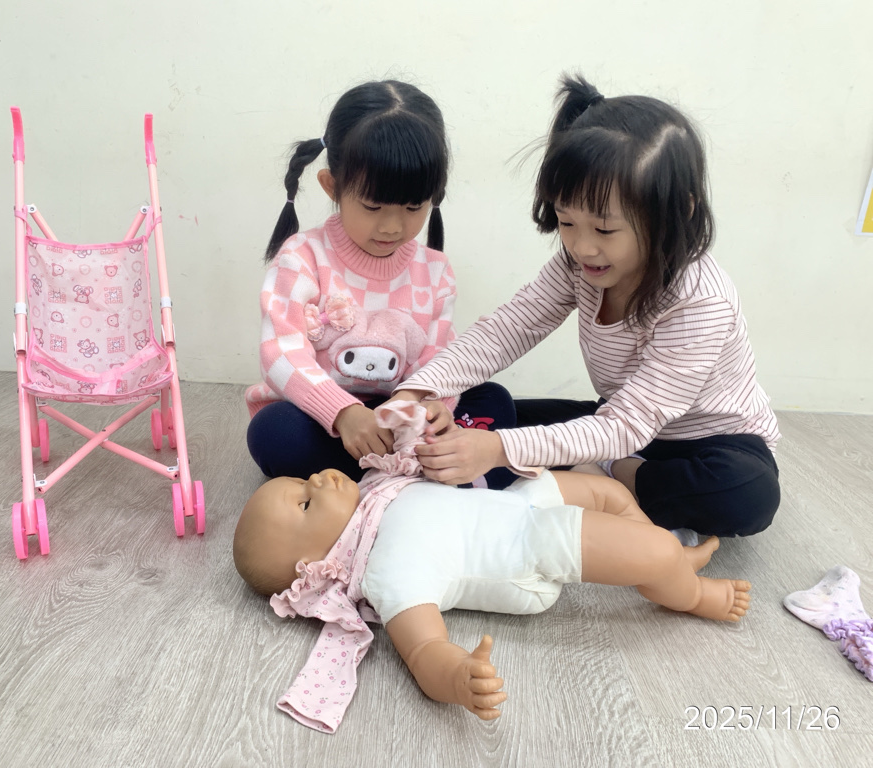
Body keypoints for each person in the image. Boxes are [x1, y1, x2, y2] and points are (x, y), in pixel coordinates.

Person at [389, 73, 781, 538]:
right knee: (491, 406)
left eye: (605, 230)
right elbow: (507, 330)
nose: (581, 247)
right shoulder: (578, 265)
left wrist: (498, 450)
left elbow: (630, 423)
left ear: (678, 211)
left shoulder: (699, 300)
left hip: (705, 443)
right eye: (566, 221)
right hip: (618, 419)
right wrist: (419, 390)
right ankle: (597, 473)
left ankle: (616, 475)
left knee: (747, 494)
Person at [233, 401, 751, 733]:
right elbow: (424, 648)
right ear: (314, 564)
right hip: (527, 550)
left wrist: (416, 418)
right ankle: (688, 589)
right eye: (305, 501)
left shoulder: (373, 489)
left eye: (300, 480)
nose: (317, 478)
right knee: (656, 552)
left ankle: (658, 561)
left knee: (607, 491)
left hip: (519, 503)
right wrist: (458, 677)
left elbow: (415, 455)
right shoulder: (386, 572)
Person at [245, 80, 516, 489]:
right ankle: (409, 480)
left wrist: (432, 408)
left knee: (494, 401)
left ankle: (382, 475)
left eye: (413, 207)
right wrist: (344, 414)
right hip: (325, 419)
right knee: (273, 432)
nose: (392, 226)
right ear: (332, 186)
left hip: (400, 421)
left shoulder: (436, 272)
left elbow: (438, 359)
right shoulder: (302, 256)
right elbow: (280, 355)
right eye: (372, 206)